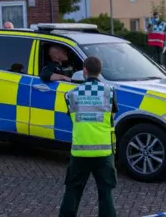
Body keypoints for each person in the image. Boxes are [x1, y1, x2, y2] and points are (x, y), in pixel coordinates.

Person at [59, 56, 119, 217]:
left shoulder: (71, 94)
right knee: (106, 194)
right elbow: (111, 115)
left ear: (84, 71)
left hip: (80, 151)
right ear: (100, 71)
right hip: (104, 152)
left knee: (72, 191)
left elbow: (71, 115)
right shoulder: (109, 92)